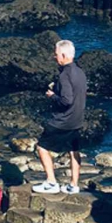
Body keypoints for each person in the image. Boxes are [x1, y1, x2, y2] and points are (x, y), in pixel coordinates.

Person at [32, 40, 87, 194]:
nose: (55, 57)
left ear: (63, 55)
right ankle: (74, 185)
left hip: (62, 121)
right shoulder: (80, 72)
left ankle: (51, 182)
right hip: (77, 119)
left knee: (42, 147)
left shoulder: (64, 75)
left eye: (56, 54)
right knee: (73, 150)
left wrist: (52, 96)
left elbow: (66, 100)